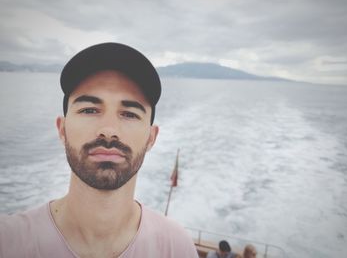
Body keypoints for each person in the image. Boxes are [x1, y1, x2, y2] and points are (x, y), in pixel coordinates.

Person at [0, 42, 199, 258]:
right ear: (62, 129)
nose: (108, 130)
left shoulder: (176, 248)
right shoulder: (8, 242)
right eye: (89, 110)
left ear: (151, 138)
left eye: (130, 114)